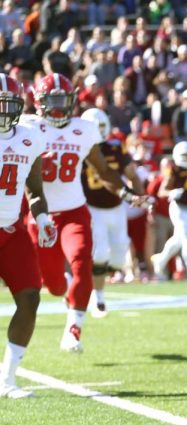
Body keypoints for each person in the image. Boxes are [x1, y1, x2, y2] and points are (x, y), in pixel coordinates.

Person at [26, 73, 142, 353]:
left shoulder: (84, 129)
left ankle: (74, 328)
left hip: (74, 210)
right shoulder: (27, 127)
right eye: (52, 100)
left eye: (62, 100)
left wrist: (127, 193)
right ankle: (68, 294)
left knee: (81, 261)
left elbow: (102, 171)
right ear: (40, 102)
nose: (57, 106)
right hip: (40, 212)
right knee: (53, 285)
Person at [0, 74, 57, 397]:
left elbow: (34, 189)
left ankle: (7, 379)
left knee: (31, 297)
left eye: (9, 106)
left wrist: (44, 217)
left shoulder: (30, 137)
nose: (4, 113)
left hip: (12, 229)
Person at [81, 108, 144, 318]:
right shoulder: (80, 148)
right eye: (93, 127)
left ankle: (93, 278)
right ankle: (98, 297)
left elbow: (131, 173)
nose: (98, 130)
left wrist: (140, 194)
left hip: (116, 206)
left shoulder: (116, 147)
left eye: (100, 126)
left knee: (118, 257)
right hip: (92, 208)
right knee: (99, 253)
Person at [151, 142, 187, 285]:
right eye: (184, 155)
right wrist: (172, 192)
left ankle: (161, 259)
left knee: (179, 239)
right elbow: (161, 192)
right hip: (179, 208)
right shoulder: (174, 170)